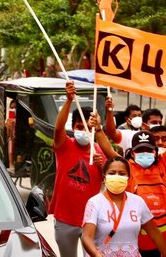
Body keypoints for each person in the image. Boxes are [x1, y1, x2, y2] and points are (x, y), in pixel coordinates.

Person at [91, 116, 166, 257]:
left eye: (149, 150)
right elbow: (108, 151)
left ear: (155, 152)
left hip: (161, 237)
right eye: (140, 150)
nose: (145, 153)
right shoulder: (128, 168)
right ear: (132, 152)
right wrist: (99, 129)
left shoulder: (162, 165)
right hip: (136, 239)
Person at [51, 81, 106, 257]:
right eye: (79, 127)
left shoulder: (99, 151)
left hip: (90, 221)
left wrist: (102, 165)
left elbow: (111, 179)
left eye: (88, 128)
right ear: (73, 127)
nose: (83, 131)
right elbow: (58, 128)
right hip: (64, 219)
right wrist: (68, 100)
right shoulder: (64, 145)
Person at [82, 156, 166, 257]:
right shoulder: (95, 202)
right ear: (104, 178)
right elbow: (87, 236)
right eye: (112, 173)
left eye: (122, 174)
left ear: (129, 178)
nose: (117, 177)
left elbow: (154, 233)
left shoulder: (138, 202)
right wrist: (96, 254)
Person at [5, 99, 17, 175]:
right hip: (11, 135)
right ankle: (11, 165)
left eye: (15, 108)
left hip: (17, 133)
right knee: (10, 149)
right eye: (12, 108)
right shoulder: (10, 118)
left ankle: (14, 165)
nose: (13, 109)